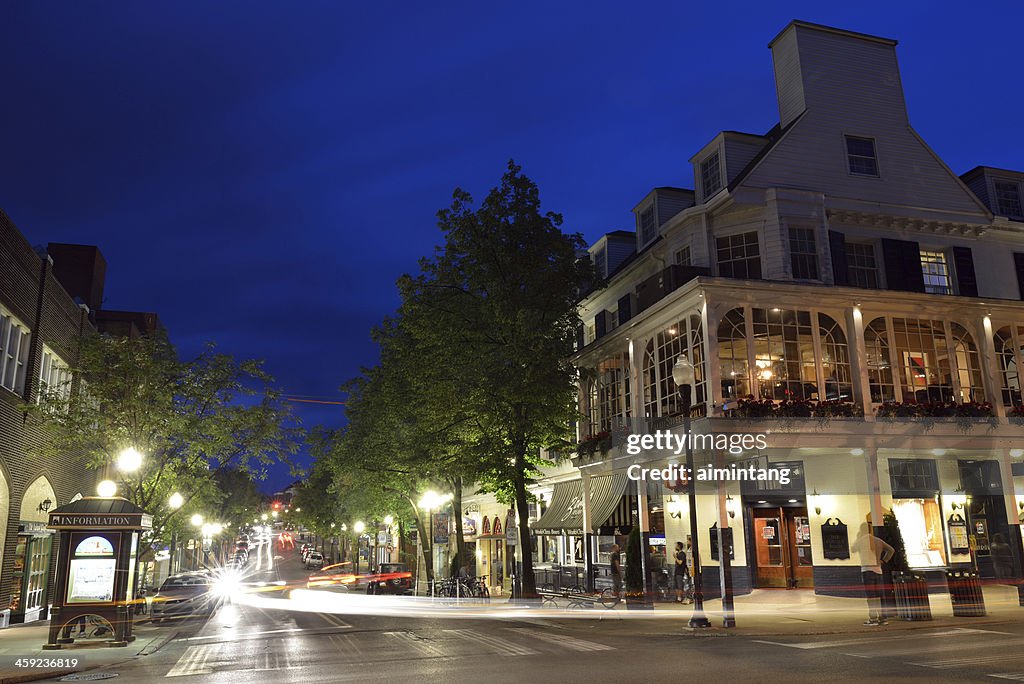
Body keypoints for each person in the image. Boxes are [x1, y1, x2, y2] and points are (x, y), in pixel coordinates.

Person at [852, 521, 895, 625]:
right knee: (879, 595)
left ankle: (873, 618)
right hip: (878, 570)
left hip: (867, 571)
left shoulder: (861, 541)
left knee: (871, 596)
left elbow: (853, 550)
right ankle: (882, 618)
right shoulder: (878, 541)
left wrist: (858, 537)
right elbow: (891, 550)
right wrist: (884, 560)